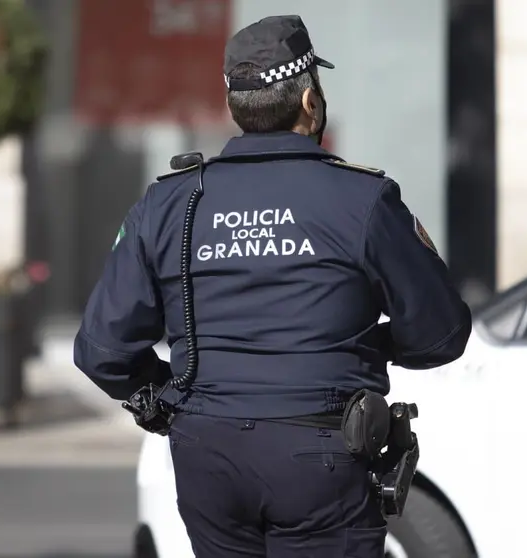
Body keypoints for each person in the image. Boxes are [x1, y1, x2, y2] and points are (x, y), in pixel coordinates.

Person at [73, 14, 472, 558]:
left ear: (238, 106)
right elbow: (440, 334)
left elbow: (102, 350)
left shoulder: (169, 203)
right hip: (322, 452)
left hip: (206, 451)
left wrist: (164, 402)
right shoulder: (362, 199)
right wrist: (367, 346)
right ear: (310, 102)